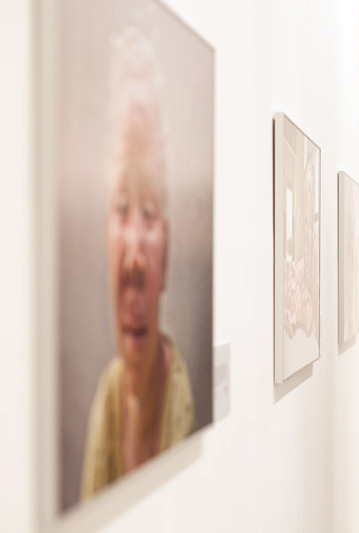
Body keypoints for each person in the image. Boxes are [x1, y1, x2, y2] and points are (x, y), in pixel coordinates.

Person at [81, 27, 195, 500]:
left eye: (149, 211)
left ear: (166, 252)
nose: (133, 259)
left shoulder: (182, 403)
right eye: (120, 206)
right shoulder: (104, 408)